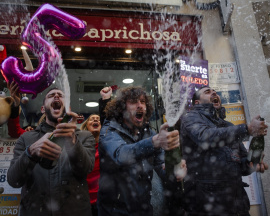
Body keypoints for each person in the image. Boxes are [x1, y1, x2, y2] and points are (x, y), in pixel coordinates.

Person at [97, 86, 186, 216]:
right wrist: (154, 142)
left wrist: (174, 169)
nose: (140, 106)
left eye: (143, 102)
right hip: (115, 210)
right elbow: (121, 155)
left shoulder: (149, 132)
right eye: (134, 102)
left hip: (144, 207)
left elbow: (160, 165)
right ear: (122, 108)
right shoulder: (109, 130)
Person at [181, 86, 269, 216]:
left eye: (215, 92)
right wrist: (247, 130)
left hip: (238, 206)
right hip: (207, 206)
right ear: (197, 102)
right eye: (207, 92)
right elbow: (205, 137)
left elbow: (242, 165)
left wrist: (252, 163)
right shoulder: (190, 117)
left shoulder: (228, 126)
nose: (214, 93)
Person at [7, 87, 96, 216]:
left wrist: (72, 141)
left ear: (68, 109)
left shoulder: (84, 136)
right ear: (43, 109)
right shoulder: (26, 138)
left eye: (61, 95)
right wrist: (30, 153)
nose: (56, 97)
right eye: (51, 95)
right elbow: (14, 181)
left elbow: (85, 169)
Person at [80, 114, 101, 216]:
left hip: (102, 200)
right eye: (92, 119)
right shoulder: (79, 146)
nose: (95, 120)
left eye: (98, 119)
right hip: (83, 200)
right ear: (86, 125)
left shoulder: (107, 146)